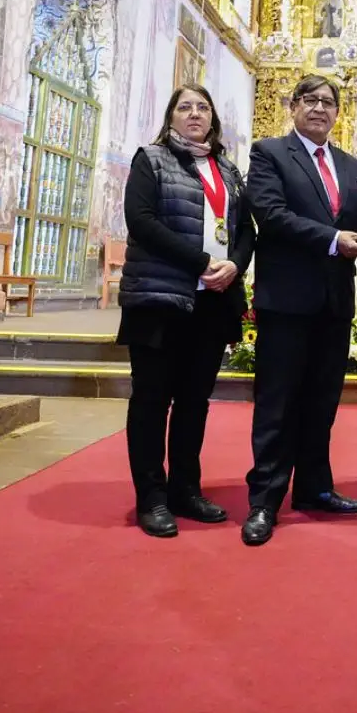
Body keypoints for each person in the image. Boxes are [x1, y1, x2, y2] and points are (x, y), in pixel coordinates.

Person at [241, 74, 357, 546]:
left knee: (322, 402)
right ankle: (264, 500)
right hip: (287, 300)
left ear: (338, 112)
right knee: (278, 404)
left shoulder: (352, 164)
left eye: (328, 102)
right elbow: (271, 215)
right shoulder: (269, 153)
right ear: (294, 105)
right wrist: (334, 240)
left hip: (334, 301)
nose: (320, 108)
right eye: (311, 100)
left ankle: (315, 487)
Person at [117, 84, 254, 538]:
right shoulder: (150, 160)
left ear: (212, 119)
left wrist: (235, 264)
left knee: (194, 403)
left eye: (202, 107)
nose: (194, 114)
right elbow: (142, 221)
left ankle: (186, 489)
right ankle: (151, 498)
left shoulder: (227, 170)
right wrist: (200, 262)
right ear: (171, 117)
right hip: (160, 299)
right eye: (185, 107)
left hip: (212, 301)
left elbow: (245, 229)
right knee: (153, 401)